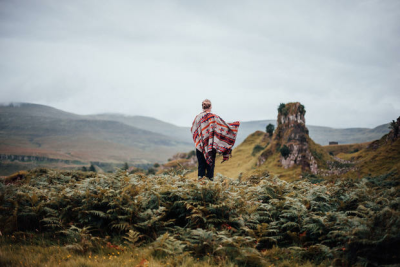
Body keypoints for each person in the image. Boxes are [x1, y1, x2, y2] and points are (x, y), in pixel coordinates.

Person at [191, 99, 240, 181]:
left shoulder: (197, 118)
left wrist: (200, 140)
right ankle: (210, 186)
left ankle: (200, 186)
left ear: (202, 107)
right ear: (211, 106)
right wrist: (235, 125)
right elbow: (223, 127)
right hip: (210, 147)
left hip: (199, 146)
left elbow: (193, 130)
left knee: (201, 166)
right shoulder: (214, 117)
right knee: (210, 167)